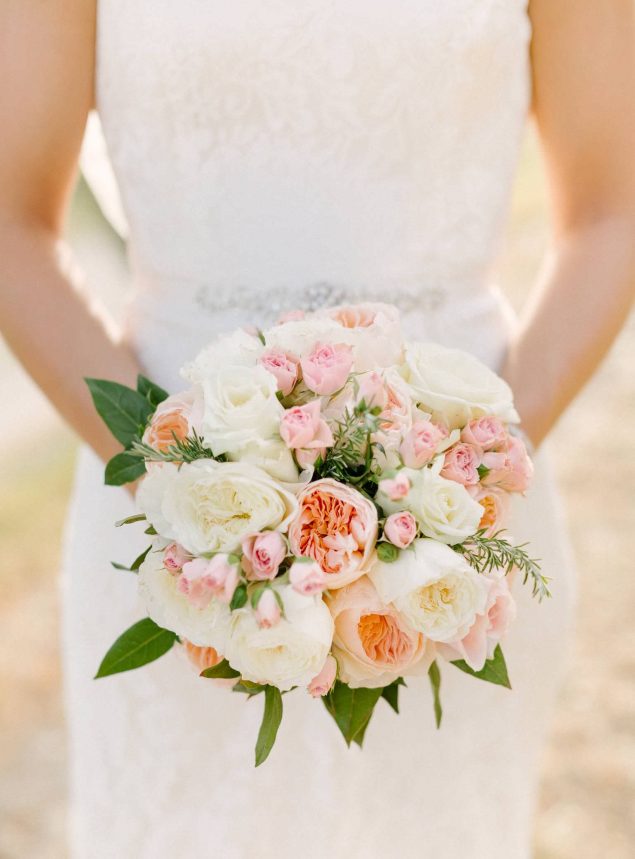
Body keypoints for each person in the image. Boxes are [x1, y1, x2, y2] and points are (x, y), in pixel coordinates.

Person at [1, 2, 634, 857]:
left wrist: (471, 475)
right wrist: (182, 487)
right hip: (179, 520)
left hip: (454, 516)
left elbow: (609, 212)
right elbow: (12, 224)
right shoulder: (182, 502)